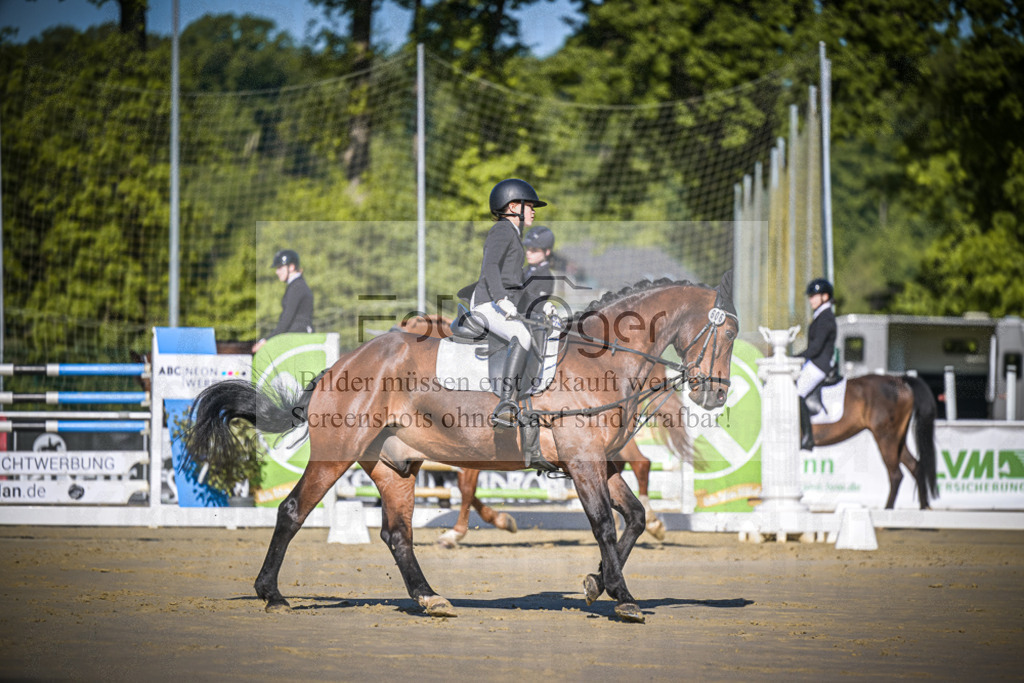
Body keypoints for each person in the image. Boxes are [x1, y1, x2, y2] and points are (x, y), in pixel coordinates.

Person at [457, 178, 552, 471]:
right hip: (487, 303)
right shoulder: (502, 230)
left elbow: (516, 282)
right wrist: (501, 300)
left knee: (533, 334)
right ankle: (506, 405)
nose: (533, 211)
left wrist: (540, 304)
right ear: (513, 207)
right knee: (521, 337)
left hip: (500, 300)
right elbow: (489, 269)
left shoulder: (513, 234)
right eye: (529, 206)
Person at [794, 278, 837, 450]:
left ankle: (808, 437)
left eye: (814, 296)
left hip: (820, 364)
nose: (811, 299)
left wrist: (795, 358)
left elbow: (816, 347)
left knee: (797, 392)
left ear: (825, 297)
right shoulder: (821, 315)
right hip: (815, 362)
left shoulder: (826, 318)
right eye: (810, 296)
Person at [252, 249, 314, 353]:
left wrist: (265, 341)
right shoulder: (295, 285)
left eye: (280, 267)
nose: (277, 272)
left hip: (297, 337)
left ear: (291, 267)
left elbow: (285, 321)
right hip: (293, 336)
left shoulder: (297, 287)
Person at [520, 225, 556, 318]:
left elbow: (536, 304)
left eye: (534, 250)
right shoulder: (524, 270)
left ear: (547, 252)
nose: (528, 253)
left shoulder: (546, 277)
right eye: (528, 249)